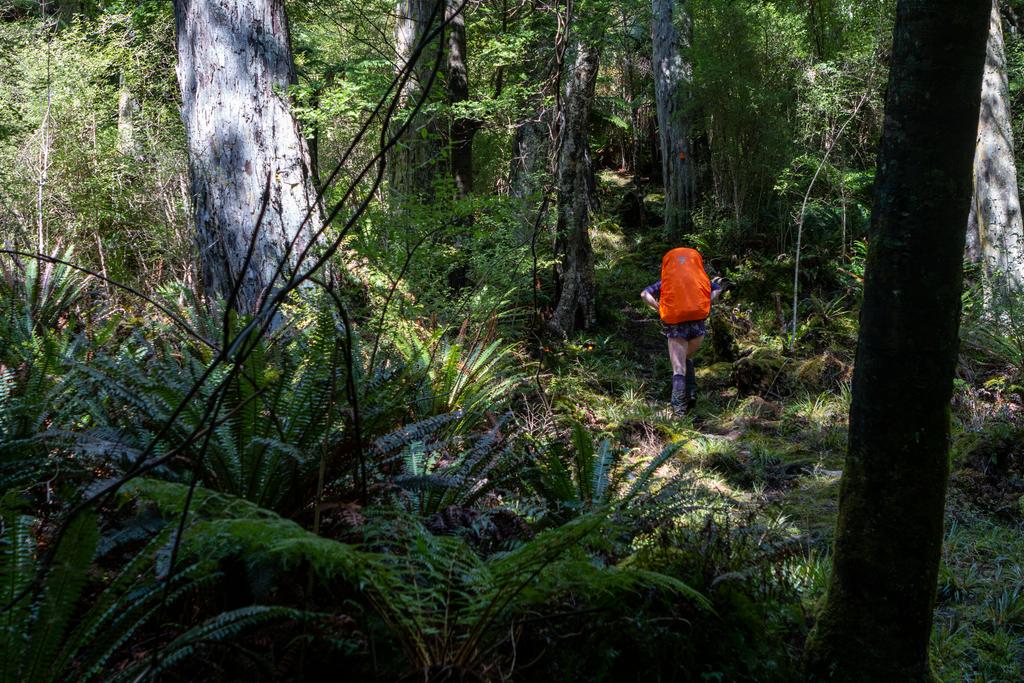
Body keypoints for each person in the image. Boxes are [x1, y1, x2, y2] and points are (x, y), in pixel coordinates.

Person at [640, 247, 722, 416]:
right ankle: (691, 394)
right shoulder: (702, 280)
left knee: (678, 368)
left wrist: (659, 308)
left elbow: (644, 295)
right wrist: (707, 302)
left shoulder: (667, 282)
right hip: (698, 327)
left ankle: (679, 411)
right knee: (685, 358)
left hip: (677, 327)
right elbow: (718, 289)